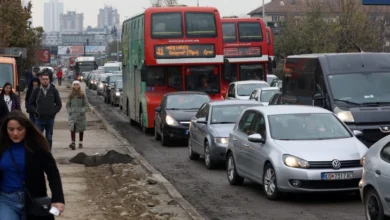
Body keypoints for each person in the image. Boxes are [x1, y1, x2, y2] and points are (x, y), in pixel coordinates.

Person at [0, 111, 65, 219]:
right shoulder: (2, 147)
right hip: (6, 201)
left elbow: (52, 173)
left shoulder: (37, 147)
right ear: (6, 130)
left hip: (33, 200)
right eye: (11, 129)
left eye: (19, 129)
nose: (15, 133)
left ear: (26, 128)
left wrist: (58, 199)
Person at [28, 72, 62, 150]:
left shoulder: (54, 90)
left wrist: (53, 111)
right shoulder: (36, 90)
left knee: (49, 138)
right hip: (39, 119)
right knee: (38, 138)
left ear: (49, 80)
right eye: (43, 79)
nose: (45, 81)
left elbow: (59, 105)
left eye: (47, 79)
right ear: (41, 80)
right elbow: (30, 104)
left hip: (50, 119)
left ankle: (48, 154)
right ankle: (39, 154)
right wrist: (35, 111)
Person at [66, 81, 88, 150]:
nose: (76, 86)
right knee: (72, 128)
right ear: (73, 86)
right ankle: (73, 142)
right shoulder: (71, 95)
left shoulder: (82, 95)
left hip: (80, 115)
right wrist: (70, 111)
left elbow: (86, 105)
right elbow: (68, 105)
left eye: (77, 85)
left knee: (81, 128)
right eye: (74, 85)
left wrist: (82, 111)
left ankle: (80, 142)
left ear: (79, 86)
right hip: (72, 114)